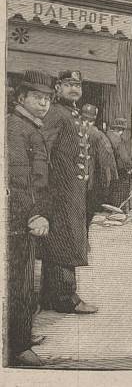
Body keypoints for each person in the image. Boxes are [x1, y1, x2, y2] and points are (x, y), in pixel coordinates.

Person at [39, 70, 97, 314]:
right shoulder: (55, 113)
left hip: (72, 189)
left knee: (66, 240)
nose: (75, 89)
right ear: (58, 87)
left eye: (78, 85)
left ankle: (51, 296)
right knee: (64, 241)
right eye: (69, 84)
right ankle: (65, 298)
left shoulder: (70, 113)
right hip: (60, 190)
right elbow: (44, 150)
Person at [7, 81, 53, 366]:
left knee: (24, 282)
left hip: (25, 216)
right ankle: (18, 347)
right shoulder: (16, 127)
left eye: (47, 98)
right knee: (19, 284)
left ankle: (20, 337)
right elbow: (18, 179)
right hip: (18, 219)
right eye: (37, 97)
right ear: (21, 97)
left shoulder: (29, 126)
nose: (44, 103)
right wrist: (32, 215)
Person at [81, 104, 118, 230]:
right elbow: (106, 162)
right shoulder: (99, 135)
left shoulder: (74, 130)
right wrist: (106, 183)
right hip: (90, 181)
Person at [106, 118, 132, 208]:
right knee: (122, 188)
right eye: (122, 130)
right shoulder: (118, 140)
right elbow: (124, 157)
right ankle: (120, 207)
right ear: (119, 129)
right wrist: (130, 167)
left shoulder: (106, 136)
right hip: (120, 168)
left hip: (110, 168)